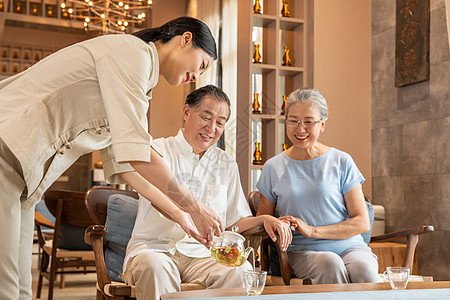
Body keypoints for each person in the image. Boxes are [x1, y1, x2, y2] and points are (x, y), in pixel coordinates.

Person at [0, 16, 224, 299]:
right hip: (6, 150)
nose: (197, 76)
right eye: (201, 64)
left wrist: (181, 215)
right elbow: (140, 155)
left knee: (20, 288)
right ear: (186, 39)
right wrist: (193, 206)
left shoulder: (139, 85)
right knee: (6, 286)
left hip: (23, 178)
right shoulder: (134, 54)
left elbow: (129, 166)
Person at [123, 85, 292, 300]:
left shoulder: (226, 163)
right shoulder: (158, 151)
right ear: (186, 112)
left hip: (204, 255)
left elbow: (232, 224)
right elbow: (154, 195)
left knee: (239, 270)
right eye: (206, 117)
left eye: (220, 123)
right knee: (156, 269)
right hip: (155, 248)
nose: (212, 128)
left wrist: (264, 219)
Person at [256, 88, 380, 284]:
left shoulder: (342, 161)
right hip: (302, 250)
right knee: (329, 263)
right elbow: (262, 221)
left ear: (322, 125)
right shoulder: (273, 167)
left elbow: (361, 222)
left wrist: (313, 230)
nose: (300, 129)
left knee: (364, 268)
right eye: (293, 121)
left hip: (350, 247)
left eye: (308, 122)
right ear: (285, 122)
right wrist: (277, 225)